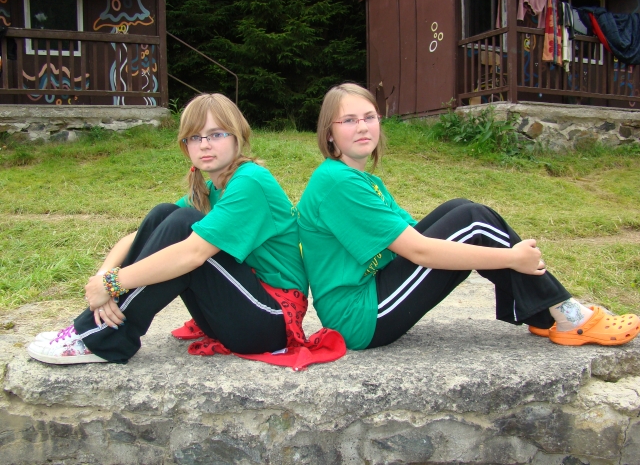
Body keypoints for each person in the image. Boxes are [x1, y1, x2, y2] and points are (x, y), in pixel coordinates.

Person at [296, 83, 639, 351]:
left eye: (369, 117)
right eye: (349, 120)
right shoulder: (337, 183)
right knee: (473, 221)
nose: (362, 127)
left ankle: (546, 311)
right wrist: (512, 258)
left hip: (373, 292)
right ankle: (565, 313)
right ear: (329, 133)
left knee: (460, 209)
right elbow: (420, 251)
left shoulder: (361, 180)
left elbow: (417, 233)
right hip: (360, 315)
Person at [28, 93, 308, 364]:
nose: (205, 145)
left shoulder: (250, 182)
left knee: (183, 223)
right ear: (185, 146)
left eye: (216, 134)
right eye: (195, 137)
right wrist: (103, 278)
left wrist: (112, 284)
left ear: (238, 137)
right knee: (164, 214)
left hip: (272, 320)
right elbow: (140, 237)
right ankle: (98, 328)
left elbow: (192, 254)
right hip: (237, 313)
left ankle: (98, 337)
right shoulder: (209, 189)